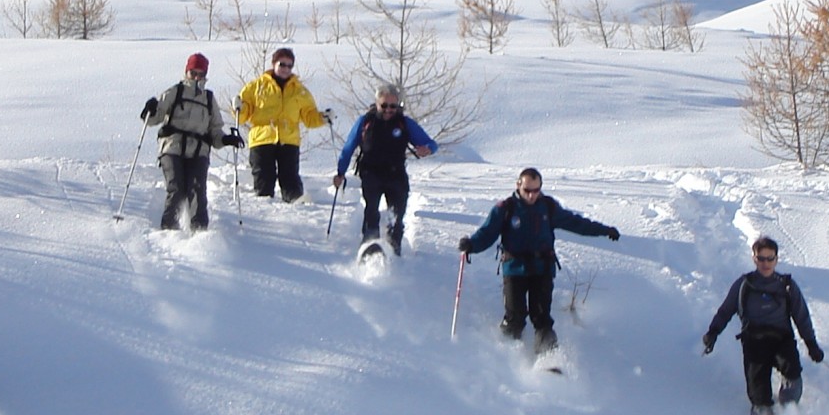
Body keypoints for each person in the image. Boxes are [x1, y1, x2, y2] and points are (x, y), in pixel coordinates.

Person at [457, 168, 620, 353]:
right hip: (514, 268)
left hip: (542, 269)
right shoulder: (506, 208)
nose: (532, 195)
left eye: (536, 190)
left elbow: (576, 223)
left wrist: (604, 230)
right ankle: (504, 355)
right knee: (515, 317)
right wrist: (471, 245)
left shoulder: (548, 207)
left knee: (542, 318)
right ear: (518, 185)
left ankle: (548, 358)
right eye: (527, 190)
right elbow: (487, 233)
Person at [702, 237, 824, 415]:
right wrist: (713, 332)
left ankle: (789, 411)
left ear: (776, 259)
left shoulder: (787, 285)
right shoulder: (744, 284)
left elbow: (801, 316)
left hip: (781, 338)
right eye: (761, 258)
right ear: (754, 259)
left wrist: (811, 344)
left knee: (792, 370)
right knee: (758, 387)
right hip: (754, 340)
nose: (765, 263)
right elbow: (726, 310)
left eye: (770, 258)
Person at [143, 52, 244, 231]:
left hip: (199, 151)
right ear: (186, 72)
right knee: (177, 188)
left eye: (201, 74)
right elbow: (153, 119)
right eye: (193, 73)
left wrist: (226, 139)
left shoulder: (208, 99)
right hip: (172, 148)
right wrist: (149, 110)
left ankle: (200, 232)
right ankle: (169, 229)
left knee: (197, 190)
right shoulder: (175, 92)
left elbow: (215, 131)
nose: (197, 77)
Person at [333, 86, 438, 255]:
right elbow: (348, 148)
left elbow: (431, 144)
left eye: (393, 106)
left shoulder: (404, 123)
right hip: (371, 173)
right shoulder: (365, 122)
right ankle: (369, 246)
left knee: (396, 215)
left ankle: (393, 249)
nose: (388, 110)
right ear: (377, 104)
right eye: (384, 105)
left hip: (396, 174)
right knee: (371, 211)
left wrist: (427, 149)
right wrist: (340, 173)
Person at [236, 47, 331, 202]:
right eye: (282, 64)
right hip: (262, 139)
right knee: (263, 177)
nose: (286, 69)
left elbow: (309, 117)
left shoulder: (300, 91)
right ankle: (263, 207)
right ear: (274, 64)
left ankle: (296, 205)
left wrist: (323, 118)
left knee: (290, 177)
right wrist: (239, 108)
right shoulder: (256, 87)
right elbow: (242, 115)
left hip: (288, 139)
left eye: (289, 65)